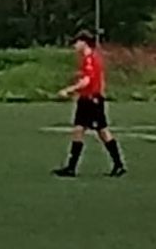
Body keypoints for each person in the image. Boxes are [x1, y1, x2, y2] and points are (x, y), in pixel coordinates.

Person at [53, 31, 126, 178]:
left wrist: (68, 90)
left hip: (92, 100)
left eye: (76, 42)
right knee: (79, 130)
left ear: (83, 42)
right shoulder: (88, 59)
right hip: (86, 99)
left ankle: (118, 165)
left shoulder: (90, 59)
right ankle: (71, 167)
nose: (74, 46)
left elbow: (87, 80)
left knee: (102, 132)